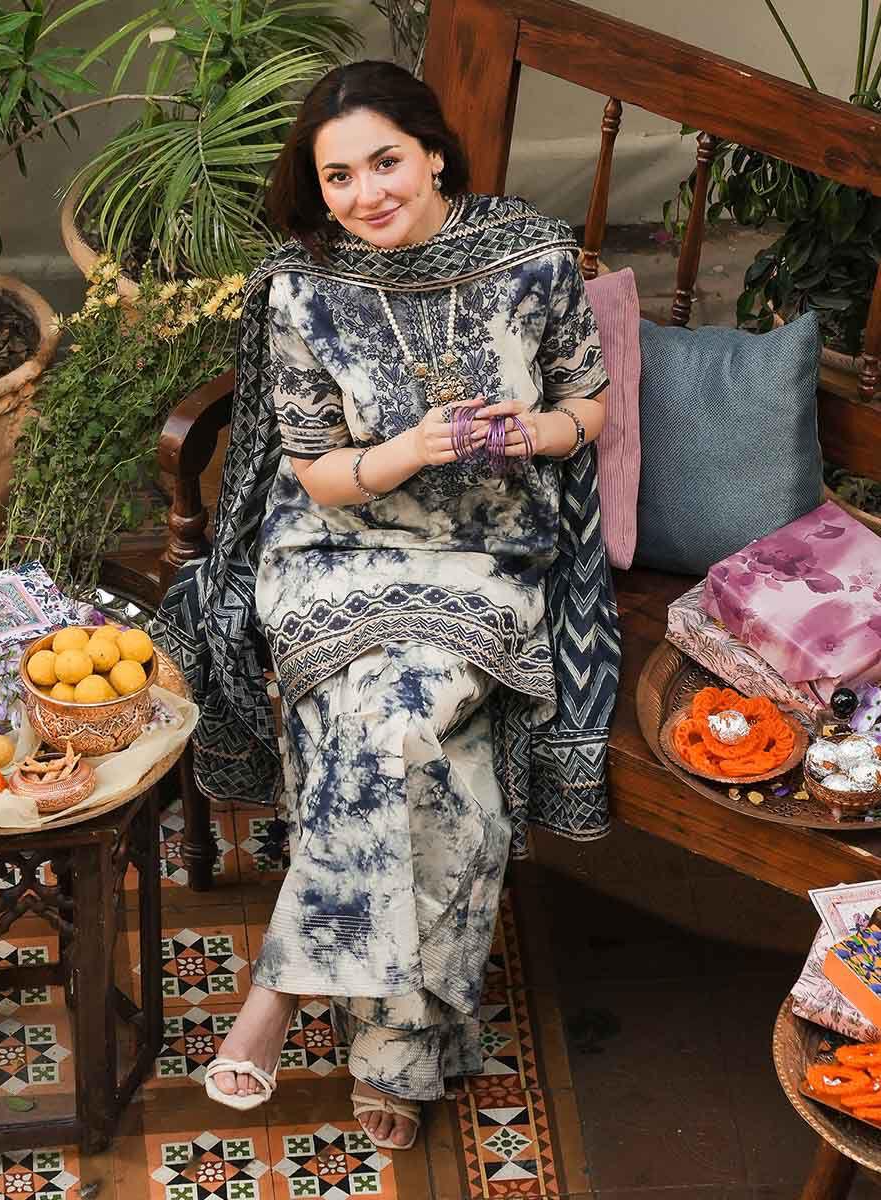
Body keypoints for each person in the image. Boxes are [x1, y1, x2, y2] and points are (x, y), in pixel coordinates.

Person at [152, 59, 621, 1150]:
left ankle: (280, 990)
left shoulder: (533, 257)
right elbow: (314, 473)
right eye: (338, 177)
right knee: (417, 748)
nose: (365, 194)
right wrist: (408, 448)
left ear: (435, 154)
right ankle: (397, 1057)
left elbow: (587, 406)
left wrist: (532, 431)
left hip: (484, 555)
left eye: (385, 163)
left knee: (391, 736)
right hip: (336, 552)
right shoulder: (302, 288)